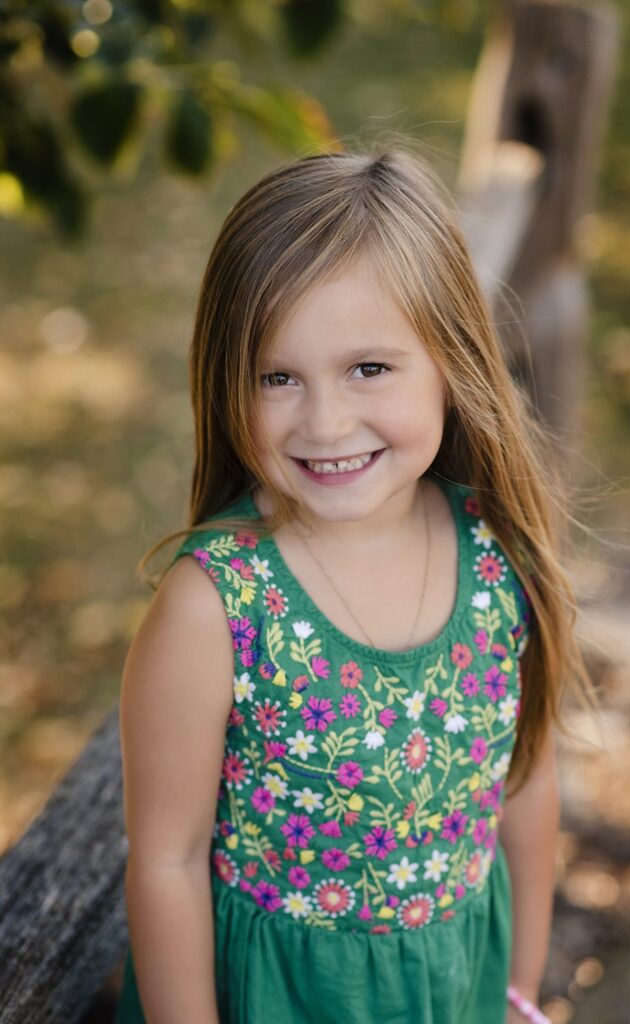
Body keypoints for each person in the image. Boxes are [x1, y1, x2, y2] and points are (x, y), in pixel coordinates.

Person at [114, 147, 598, 1024]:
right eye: (277, 377)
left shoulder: (496, 556)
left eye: (368, 368)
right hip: (279, 1001)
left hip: (454, 992)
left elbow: (520, 781)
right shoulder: (214, 607)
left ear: (450, 361)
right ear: (228, 382)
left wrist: (517, 992)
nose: (325, 422)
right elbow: (167, 862)